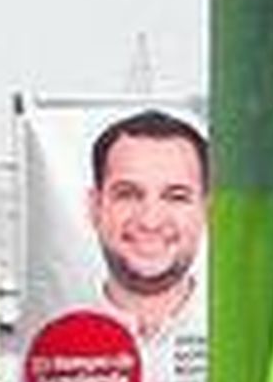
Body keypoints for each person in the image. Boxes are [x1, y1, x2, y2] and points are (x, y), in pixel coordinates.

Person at [88, 109, 208, 341]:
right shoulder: (49, 325)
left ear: (206, 211)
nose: (150, 221)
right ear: (95, 207)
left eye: (176, 197)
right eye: (128, 194)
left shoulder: (243, 332)